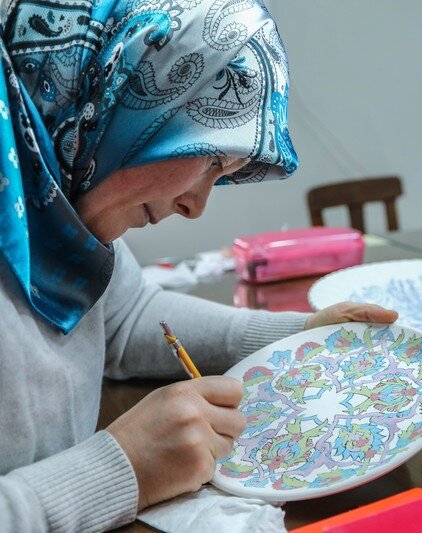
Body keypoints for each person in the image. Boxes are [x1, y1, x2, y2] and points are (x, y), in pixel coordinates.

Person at [0, 1, 396, 531]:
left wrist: (295, 336)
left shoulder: (59, 207)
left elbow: (127, 315)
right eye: (210, 161)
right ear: (115, 93)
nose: (196, 207)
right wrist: (123, 470)